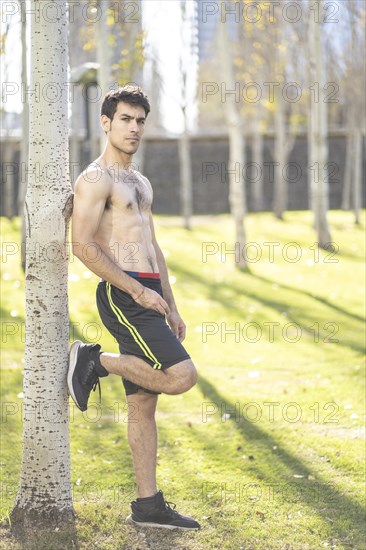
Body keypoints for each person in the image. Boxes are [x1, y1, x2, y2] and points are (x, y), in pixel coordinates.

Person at [67, 85, 200, 531]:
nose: (134, 127)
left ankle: (148, 505)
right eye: (125, 118)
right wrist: (137, 293)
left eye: (140, 120)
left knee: (144, 406)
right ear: (106, 123)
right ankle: (94, 361)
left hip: (150, 295)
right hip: (122, 294)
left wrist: (171, 306)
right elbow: (83, 246)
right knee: (182, 376)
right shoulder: (94, 179)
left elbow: (153, 247)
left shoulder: (139, 181)